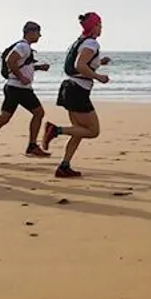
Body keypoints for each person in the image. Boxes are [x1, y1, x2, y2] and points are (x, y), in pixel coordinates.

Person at [0, 21, 53, 163]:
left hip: (14, 87)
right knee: (38, 113)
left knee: (4, 118)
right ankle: (32, 146)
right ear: (30, 32)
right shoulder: (23, 46)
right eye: (38, 32)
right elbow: (11, 61)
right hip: (19, 89)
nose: (39, 36)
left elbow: (21, 64)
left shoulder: (24, 47)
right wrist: (21, 77)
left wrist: (38, 67)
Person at [43, 12, 112, 177]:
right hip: (78, 91)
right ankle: (55, 130)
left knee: (78, 130)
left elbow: (82, 64)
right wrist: (99, 77)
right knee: (93, 131)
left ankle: (64, 166)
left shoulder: (80, 42)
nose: (101, 27)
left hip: (70, 88)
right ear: (94, 26)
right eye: (100, 24)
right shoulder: (91, 44)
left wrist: (99, 63)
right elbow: (80, 65)